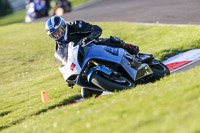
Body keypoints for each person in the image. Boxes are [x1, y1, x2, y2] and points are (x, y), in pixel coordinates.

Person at [45, 16, 140, 87]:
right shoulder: (58, 47)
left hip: (91, 47)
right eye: (54, 35)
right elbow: (64, 63)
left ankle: (132, 51)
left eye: (58, 31)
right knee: (86, 93)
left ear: (63, 26)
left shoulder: (75, 25)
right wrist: (68, 78)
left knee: (114, 41)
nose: (57, 35)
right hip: (82, 61)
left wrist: (88, 38)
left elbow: (96, 29)